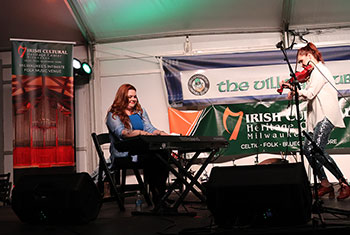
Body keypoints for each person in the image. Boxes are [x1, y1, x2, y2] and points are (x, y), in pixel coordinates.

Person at [283, 42, 349, 200]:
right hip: (318, 116)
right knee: (307, 149)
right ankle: (325, 185)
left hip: (326, 115)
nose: (300, 65)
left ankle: (344, 183)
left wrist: (294, 89)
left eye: (301, 61)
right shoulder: (313, 73)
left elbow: (311, 93)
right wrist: (294, 89)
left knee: (317, 150)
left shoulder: (320, 69)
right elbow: (308, 90)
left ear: (309, 55)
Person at [106, 83, 169, 205]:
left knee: (162, 154)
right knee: (153, 158)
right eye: (130, 97)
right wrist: (140, 133)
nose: (133, 99)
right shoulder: (113, 114)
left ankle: (159, 195)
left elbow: (149, 128)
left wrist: (161, 133)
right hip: (124, 155)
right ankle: (157, 198)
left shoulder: (140, 111)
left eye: (135, 96)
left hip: (141, 152)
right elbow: (122, 133)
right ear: (122, 97)